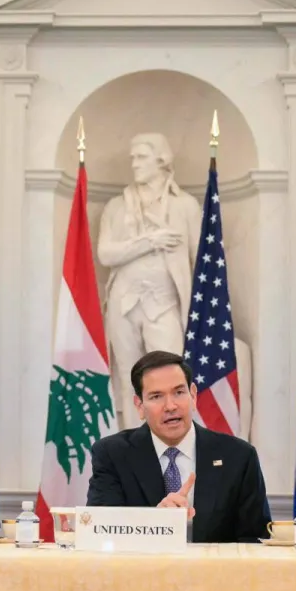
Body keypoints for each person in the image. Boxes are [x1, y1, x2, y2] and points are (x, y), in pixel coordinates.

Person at [87, 350, 269, 543]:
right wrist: (153, 524)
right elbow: (100, 534)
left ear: (193, 396)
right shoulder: (112, 455)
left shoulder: (238, 457)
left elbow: (255, 540)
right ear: (139, 405)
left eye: (179, 392)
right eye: (156, 396)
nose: (170, 406)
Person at [97, 133, 200, 428]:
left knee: (170, 375)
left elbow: (198, 257)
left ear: (161, 160)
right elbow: (106, 253)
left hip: (166, 302)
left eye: (141, 157)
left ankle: (172, 443)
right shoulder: (116, 207)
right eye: (132, 158)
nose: (134, 164)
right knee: (130, 378)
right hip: (124, 302)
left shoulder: (186, 206)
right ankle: (133, 447)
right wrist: (150, 241)